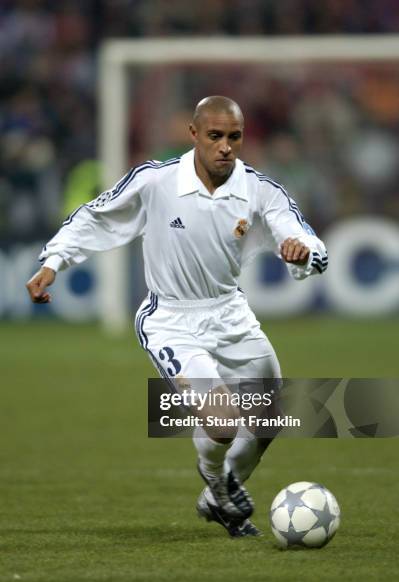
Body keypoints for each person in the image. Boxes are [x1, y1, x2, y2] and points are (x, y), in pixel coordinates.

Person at [26, 96, 328, 538]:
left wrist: (303, 253)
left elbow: (306, 241)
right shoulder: (156, 181)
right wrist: (54, 261)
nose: (226, 147)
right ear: (193, 134)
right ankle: (219, 484)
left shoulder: (259, 189)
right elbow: (94, 217)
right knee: (222, 422)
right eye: (215, 136)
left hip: (231, 313)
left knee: (268, 421)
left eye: (234, 137)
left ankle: (219, 494)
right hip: (170, 318)